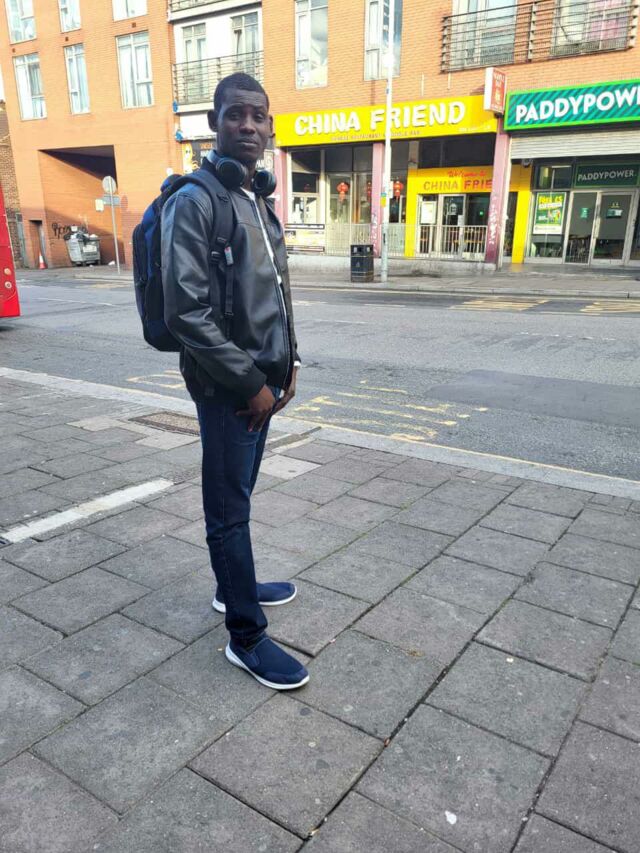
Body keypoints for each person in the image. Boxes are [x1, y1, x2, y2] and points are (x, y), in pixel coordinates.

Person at [161, 73, 308, 690]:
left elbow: (276, 293)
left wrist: (290, 363)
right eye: (234, 115)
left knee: (239, 497)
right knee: (227, 512)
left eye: (258, 116)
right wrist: (250, 382)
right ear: (214, 123)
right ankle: (245, 636)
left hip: (262, 381)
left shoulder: (255, 198)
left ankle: (233, 587)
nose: (248, 125)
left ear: (269, 126)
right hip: (228, 387)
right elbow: (185, 311)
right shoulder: (195, 201)